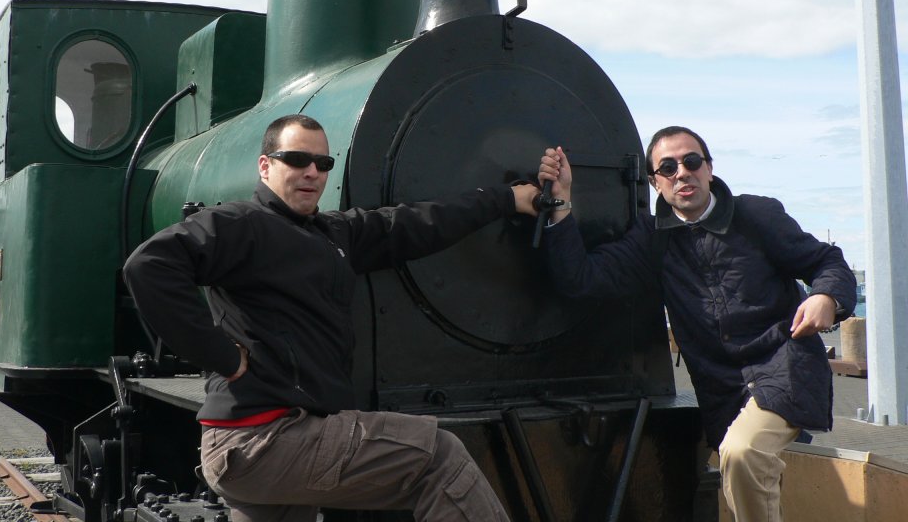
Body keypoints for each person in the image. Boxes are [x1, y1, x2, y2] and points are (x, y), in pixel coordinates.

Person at [123, 113, 537, 522]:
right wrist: (221, 354)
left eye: (323, 163)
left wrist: (505, 199)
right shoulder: (241, 223)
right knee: (440, 457)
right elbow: (148, 266)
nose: (312, 172)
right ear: (265, 166)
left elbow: (413, 224)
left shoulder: (333, 233)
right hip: (263, 437)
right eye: (296, 160)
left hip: (275, 441)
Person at [533, 126, 857, 522]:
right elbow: (581, 280)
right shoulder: (652, 240)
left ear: (709, 168)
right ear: (655, 182)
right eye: (668, 168)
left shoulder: (756, 216)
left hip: (785, 368)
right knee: (742, 470)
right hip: (723, 391)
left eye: (691, 161)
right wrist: (560, 201)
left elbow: (827, 261)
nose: (682, 173)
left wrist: (827, 297)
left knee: (742, 452)